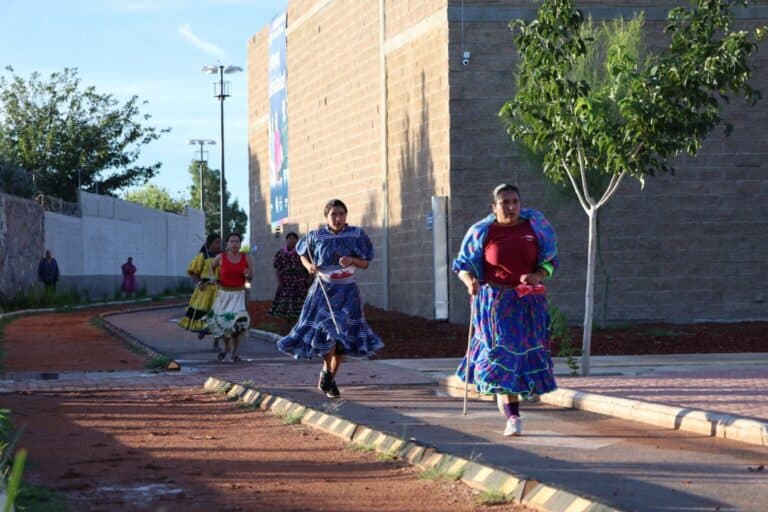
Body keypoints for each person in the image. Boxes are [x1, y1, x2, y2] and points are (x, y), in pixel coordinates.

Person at [453, 184, 558, 437]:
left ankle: (512, 403)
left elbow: (551, 261)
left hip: (527, 304)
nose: (510, 207)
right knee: (501, 356)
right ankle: (513, 416)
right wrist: (470, 282)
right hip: (494, 304)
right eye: (504, 202)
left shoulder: (535, 227)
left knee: (521, 357)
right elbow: (462, 265)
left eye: (514, 202)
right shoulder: (482, 232)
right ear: (494, 207)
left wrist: (538, 275)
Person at [277, 199, 384, 399]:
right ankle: (327, 371)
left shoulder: (357, 234)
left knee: (343, 338)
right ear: (326, 216)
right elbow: (302, 253)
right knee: (329, 333)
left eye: (341, 214)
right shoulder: (315, 236)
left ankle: (329, 377)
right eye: (334, 214)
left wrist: (352, 260)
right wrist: (308, 266)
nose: (338, 218)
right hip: (323, 292)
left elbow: (366, 262)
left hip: (348, 292)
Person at [206, 233, 251, 362]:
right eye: (231, 241)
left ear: (240, 244)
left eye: (237, 241)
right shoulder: (221, 257)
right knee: (225, 324)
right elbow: (211, 267)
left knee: (237, 324)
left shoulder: (246, 257)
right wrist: (214, 278)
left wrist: (247, 275)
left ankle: (235, 352)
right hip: (223, 295)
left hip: (239, 295)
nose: (234, 244)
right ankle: (225, 348)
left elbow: (251, 276)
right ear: (227, 244)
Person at [179, 234, 222, 340]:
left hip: (219, 289)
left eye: (219, 242)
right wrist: (199, 283)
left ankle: (216, 343)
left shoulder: (222, 256)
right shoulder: (203, 256)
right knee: (204, 312)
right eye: (216, 242)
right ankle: (203, 328)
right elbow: (193, 272)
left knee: (219, 315)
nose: (219, 244)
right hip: (205, 290)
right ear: (210, 244)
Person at [269, 232, 310, 320]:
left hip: (299, 281)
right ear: (286, 240)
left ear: (297, 240)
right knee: (285, 302)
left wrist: (308, 280)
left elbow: (308, 266)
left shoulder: (301, 252)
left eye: (294, 238)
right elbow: (277, 268)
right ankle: (287, 320)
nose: (292, 240)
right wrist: (279, 281)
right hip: (285, 282)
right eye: (290, 238)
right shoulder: (280, 253)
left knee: (300, 301)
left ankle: (300, 318)